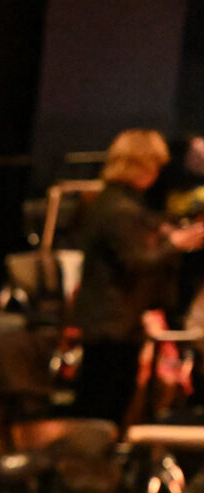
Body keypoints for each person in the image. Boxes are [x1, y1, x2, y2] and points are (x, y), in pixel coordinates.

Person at [70, 129, 204, 425]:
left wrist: (163, 233)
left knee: (105, 396)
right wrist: (176, 244)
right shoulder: (120, 208)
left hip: (110, 318)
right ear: (141, 165)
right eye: (154, 166)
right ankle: (93, 461)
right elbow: (137, 261)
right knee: (105, 401)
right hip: (112, 322)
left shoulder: (111, 200)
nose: (157, 174)